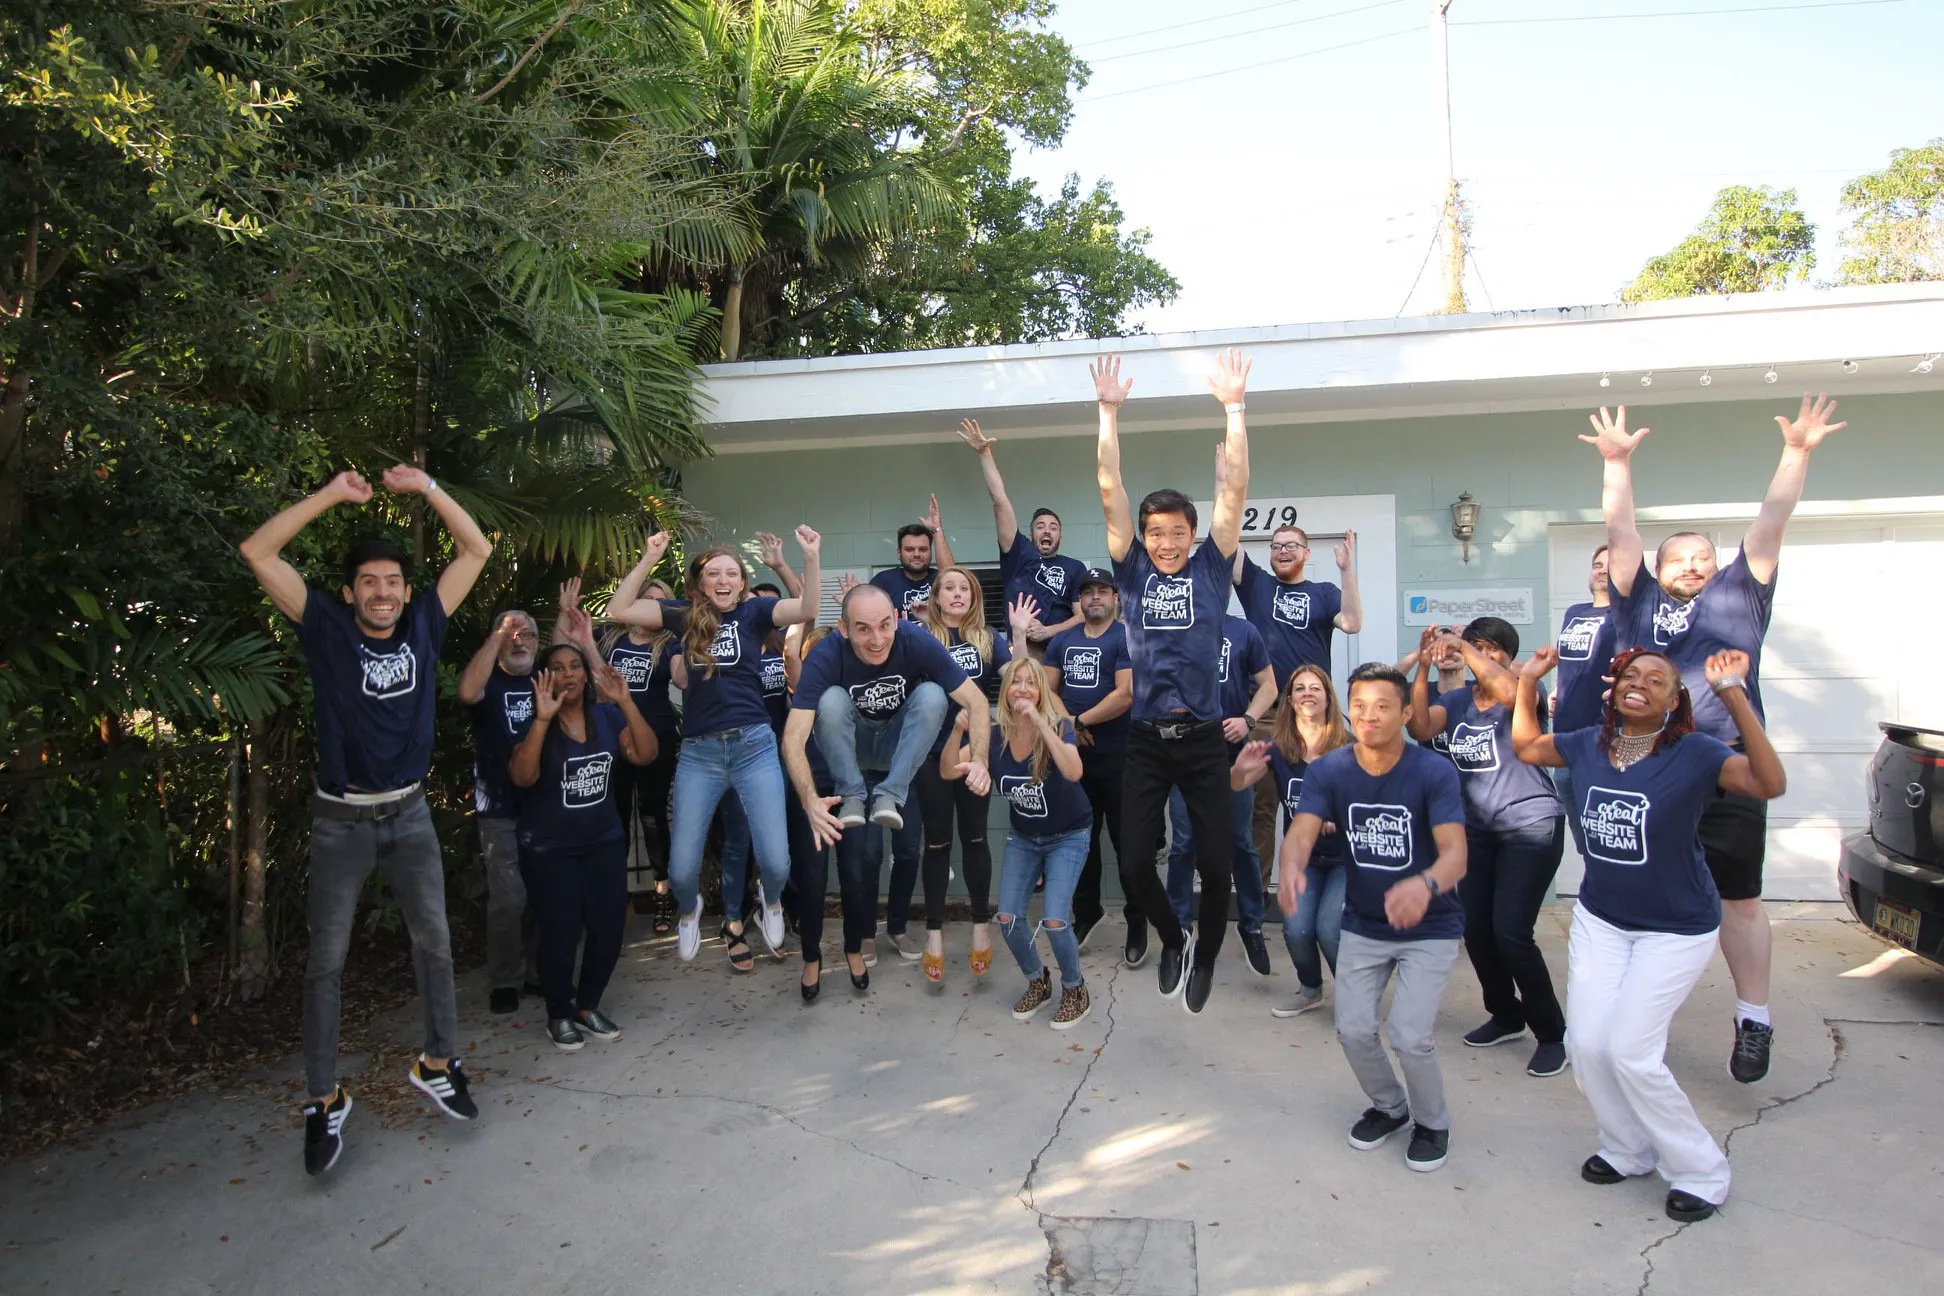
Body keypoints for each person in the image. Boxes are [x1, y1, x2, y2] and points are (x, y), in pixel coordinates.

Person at [238, 465, 492, 1176]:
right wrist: (329, 495)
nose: (383, 592)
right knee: (326, 963)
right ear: (350, 593)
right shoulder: (325, 628)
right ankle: (324, 1099)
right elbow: (258, 552)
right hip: (340, 821)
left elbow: (476, 549)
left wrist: (429, 488)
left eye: (393, 582)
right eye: (370, 583)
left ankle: (438, 1062)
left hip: (409, 813)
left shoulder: (424, 623)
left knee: (435, 943)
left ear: (406, 592)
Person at [1585, 394, 1845, 1083]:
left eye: (1703, 557)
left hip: (1725, 763)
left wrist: (1796, 452)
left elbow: (1772, 518)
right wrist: (1616, 463)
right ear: (1658, 566)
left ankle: (1753, 1018)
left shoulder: (1741, 592)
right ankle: (1635, 1022)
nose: (1693, 565)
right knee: (1640, 890)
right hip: (1649, 766)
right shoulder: (1637, 598)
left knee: (1740, 897)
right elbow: (1620, 527)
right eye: (1681, 558)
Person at [1512, 645, 1786, 1222]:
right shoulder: (1587, 743)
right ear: (1613, 690)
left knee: (1632, 1053)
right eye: (1630, 675)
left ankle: (1700, 1171)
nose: (1640, 683)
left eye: (1657, 680)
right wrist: (1527, 682)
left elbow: (1768, 782)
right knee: (1588, 1045)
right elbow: (1527, 745)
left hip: (1675, 928)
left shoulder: (1696, 753)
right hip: (1602, 921)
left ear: (1675, 701)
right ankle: (1626, 1147)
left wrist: (1733, 694)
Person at [1093, 349, 1252, 1013]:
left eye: (1175, 532)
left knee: (1217, 867)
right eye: (1155, 532)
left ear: (1191, 535)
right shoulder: (1130, 570)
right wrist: (1108, 413)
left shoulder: (1212, 569)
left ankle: (1206, 954)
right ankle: (1171, 937)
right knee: (1134, 864)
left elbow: (1234, 492)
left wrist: (1234, 408)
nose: (1164, 542)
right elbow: (1110, 488)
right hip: (1147, 741)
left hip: (1205, 739)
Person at [1280, 663, 1468, 1174]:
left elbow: (1455, 855)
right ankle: (1390, 1106)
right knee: (1354, 1030)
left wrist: (1425, 885)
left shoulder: (1433, 771)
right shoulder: (1330, 770)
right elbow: (1301, 832)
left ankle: (1432, 1122)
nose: (1369, 716)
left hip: (1430, 926)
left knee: (1409, 1035)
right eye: (1360, 705)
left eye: (1383, 706)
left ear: (1406, 714)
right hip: (1364, 922)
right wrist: (1291, 867)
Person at [605, 527, 822, 961]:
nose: (723, 580)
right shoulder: (683, 615)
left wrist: (811, 557)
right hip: (700, 754)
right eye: (713, 574)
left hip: (754, 746)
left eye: (731, 573)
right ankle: (690, 910)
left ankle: (771, 902)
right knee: (682, 869)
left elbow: (808, 607)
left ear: (742, 583)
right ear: (700, 584)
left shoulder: (755, 613)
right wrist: (648, 559)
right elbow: (619, 608)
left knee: (776, 861)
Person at [782, 584, 993, 989]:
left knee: (933, 695)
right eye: (863, 629)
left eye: (884, 625)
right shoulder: (826, 654)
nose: (877, 639)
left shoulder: (916, 641)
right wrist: (809, 800)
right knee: (830, 701)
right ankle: (855, 795)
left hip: (897, 756)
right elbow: (793, 736)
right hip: (853, 753)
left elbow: (978, 702)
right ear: (844, 629)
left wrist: (980, 759)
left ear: (896, 619)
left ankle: (891, 794)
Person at [1408, 619, 1569, 1079]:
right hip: (1478, 830)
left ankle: (1552, 1033)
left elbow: (1507, 692)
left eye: (1493, 648)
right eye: (1478, 646)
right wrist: (1423, 668)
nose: (1483, 654)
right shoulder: (1457, 701)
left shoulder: (1525, 689)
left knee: (1511, 932)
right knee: (1476, 929)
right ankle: (1505, 1014)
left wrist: (1463, 646)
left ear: (1509, 657)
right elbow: (1421, 728)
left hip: (1530, 824)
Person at [508, 644, 658, 1049]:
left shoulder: (606, 717)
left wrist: (626, 702)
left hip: (603, 842)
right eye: (557, 668)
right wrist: (543, 720)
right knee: (561, 932)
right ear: (544, 678)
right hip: (549, 848)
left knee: (608, 929)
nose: (568, 674)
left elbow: (646, 754)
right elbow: (522, 777)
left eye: (575, 666)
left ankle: (587, 1006)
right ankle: (559, 1012)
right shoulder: (533, 722)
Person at [943, 657, 1096, 1029]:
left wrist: (1041, 722)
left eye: (1031, 682)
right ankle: (1037, 980)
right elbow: (947, 771)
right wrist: (957, 730)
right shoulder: (995, 735)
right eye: (1016, 681)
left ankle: (1075, 988)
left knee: (1055, 920)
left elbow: (1074, 771)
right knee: (1008, 919)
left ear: (1041, 691)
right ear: (1006, 690)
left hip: (1068, 835)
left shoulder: (1059, 725)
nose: (1023, 688)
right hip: (1025, 838)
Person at [1232, 524, 1363, 893]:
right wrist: (1228, 495)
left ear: (1306, 553)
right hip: (1265, 711)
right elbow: (1228, 542)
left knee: (1321, 802)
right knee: (1260, 808)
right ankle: (1255, 897)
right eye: (1276, 546)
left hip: (1311, 716)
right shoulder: (1256, 584)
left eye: (1291, 545)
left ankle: (1319, 889)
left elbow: (1352, 623)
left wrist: (1347, 570)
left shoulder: (1324, 593)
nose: (1283, 551)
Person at [912, 568, 1017, 982]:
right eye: (949, 588)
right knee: (936, 843)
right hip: (931, 754)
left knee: (975, 838)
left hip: (975, 751)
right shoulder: (921, 638)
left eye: (965, 589)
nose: (958, 594)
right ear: (937, 597)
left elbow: (1016, 680)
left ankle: (980, 926)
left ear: (974, 598)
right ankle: (934, 933)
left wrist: (1020, 634)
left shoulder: (989, 639)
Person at [1230, 664, 1352, 1018]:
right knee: (1296, 930)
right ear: (1289, 700)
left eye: (1315, 688)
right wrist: (1239, 768)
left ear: (1328, 698)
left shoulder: (1349, 748)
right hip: (1304, 859)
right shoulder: (1280, 748)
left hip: (1346, 860)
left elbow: (1375, 801)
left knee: (1329, 929)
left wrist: (1340, 819)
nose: (1307, 693)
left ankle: (1354, 996)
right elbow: (1237, 784)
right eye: (1299, 688)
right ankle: (1311, 990)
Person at [1163, 613, 1277, 974]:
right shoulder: (1175, 630)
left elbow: (1269, 686)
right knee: (1184, 844)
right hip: (1186, 758)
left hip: (1232, 757)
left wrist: (1248, 719)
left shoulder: (1244, 630)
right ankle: (1179, 929)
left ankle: (1251, 925)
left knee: (1240, 842)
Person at [1044, 570, 1140, 958]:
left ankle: (1137, 923)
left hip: (1119, 756)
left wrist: (1080, 722)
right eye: (1088, 592)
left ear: (1116, 598)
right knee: (1078, 840)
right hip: (1074, 757)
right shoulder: (1062, 640)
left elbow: (1125, 694)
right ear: (1080, 600)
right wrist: (1069, 726)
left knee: (1127, 843)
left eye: (1102, 591)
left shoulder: (1126, 637)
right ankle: (1086, 913)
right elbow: (1047, 689)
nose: (1095, 597)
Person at [457, 609, 540, 1014]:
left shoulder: (548, 678)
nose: (519, 642)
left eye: (527, 635)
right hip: (499, 807)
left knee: (546, 893)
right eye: (511, 636)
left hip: (545, 806)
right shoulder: (487, 680)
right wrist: (498, 635)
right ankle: (505, 981)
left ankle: (539, 973)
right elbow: (466, 693)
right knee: (508, 899)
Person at [954, 417, 1091, 647]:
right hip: (1021, 647)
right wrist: (984, 453)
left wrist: (1048, 631)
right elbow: (1000, 501)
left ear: (1060, 537)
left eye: (1053, 527)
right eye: (1040, 526)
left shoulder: (1074, 567)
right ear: (1030, 534)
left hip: (1060, 650)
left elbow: (1082, 616)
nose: (1047, 531)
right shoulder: (1019, 554)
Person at [598, 577, 681, 932]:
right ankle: (615, 897)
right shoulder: (610, 637)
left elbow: (681, 678)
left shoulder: (671, 643)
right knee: (614, 815)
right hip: (613, 736)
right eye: (647, 599)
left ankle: (663, 893)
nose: (652, 607)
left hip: (656, 738)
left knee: (652, 817)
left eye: (660, 603)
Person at [1552, 546, 1618, 857]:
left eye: (1611, 565)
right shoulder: (1574, 612)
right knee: (1585, 841)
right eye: (1597, 564)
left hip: (1605, 736)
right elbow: (1572, 661)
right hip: (1565, 736)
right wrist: (1559, 687)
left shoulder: (1629, 615)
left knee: (1608, 834)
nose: (1602, 570)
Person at [869, 495, 955, 617]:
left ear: (930, 552)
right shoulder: (883, 581)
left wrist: (936, 529)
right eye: (909, 549)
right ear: (899, 553)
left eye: (923, 549)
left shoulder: (938, 579)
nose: (917, 554)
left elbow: (953, 576)